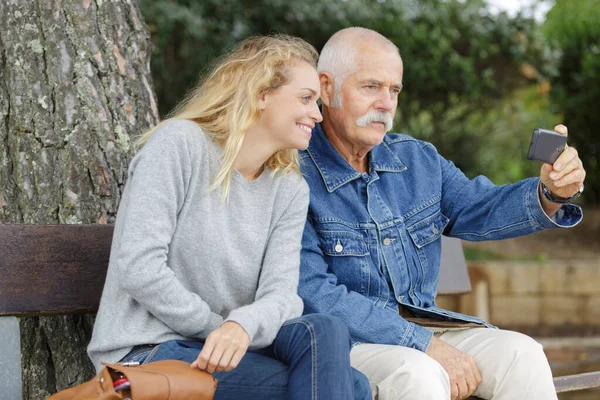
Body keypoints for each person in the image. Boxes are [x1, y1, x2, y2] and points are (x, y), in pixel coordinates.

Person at [298, 27, 586, 400]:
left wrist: (550, 192)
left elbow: (480, 208)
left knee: (522, 354)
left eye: (395, 90)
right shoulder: (293, 174)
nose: (386, 103)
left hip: (426, 329)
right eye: (371, 87)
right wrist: (422, 344)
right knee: (418, 375)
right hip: (345, 342)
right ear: (326, 87)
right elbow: (313, 292)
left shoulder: (418, 160)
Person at [88, 34, 371, 400]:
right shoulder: (179, 146)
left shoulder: (288, 189)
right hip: (146, 355)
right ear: (260, 94)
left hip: (228, 350)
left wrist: (241, 326)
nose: (317, 114)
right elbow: (140, 268)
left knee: (325, 330)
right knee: (350, 388)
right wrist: (219, 329)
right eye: (305, 98)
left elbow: (282, 296)